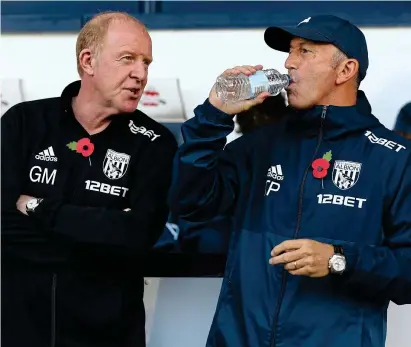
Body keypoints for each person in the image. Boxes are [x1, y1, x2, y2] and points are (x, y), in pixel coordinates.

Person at [169, 14, 411, 347]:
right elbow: (191, 204)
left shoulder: (394, 157)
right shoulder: (259, 146)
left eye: (305, 51)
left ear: (346, 70)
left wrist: (338, 259)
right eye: (290, 51)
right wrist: (214, 116)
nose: (288, 63)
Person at [1, 12, 177, 347]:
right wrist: (100, 237)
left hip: (110, 335)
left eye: (146, 63)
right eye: (127, 59)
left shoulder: (154, 142)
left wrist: (38, 208)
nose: (140, 74)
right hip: (20, 330)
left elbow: (137, 236)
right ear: (88, 61)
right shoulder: (24, 122)